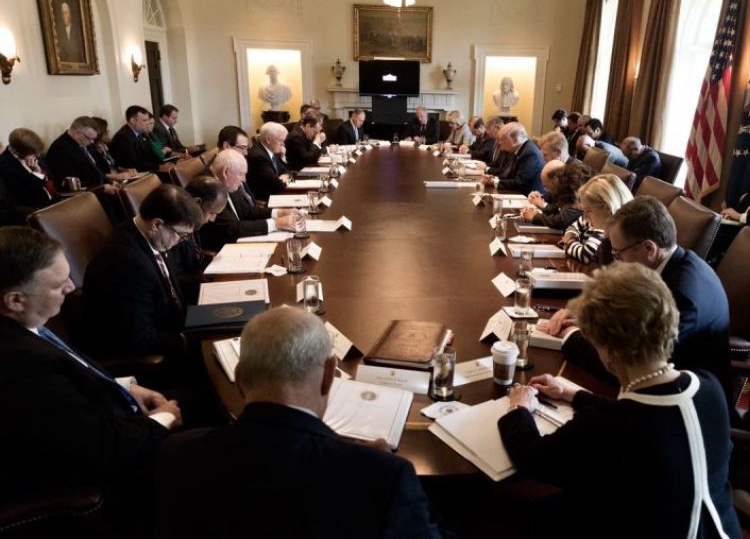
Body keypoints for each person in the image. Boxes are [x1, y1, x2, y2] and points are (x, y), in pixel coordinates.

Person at [154, 307, 440, 538]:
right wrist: (369, 467)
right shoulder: (383, 477)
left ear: (239, 379)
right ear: (329, 375)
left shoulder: (176, 455)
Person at [500, 263, 740, 538]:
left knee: (536, 513)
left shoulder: (605, 426)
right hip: (718, 529)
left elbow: (533, 459)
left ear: (608, 353)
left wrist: (519, 409)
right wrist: (572, 394)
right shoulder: (708, 386)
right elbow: (646, 416)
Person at [0, 227, 180, 523]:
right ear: (15, 300)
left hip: (113, 415)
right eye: (58, 285)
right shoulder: (19, 367)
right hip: (106, 476)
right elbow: (103, 449)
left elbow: (69, 377)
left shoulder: (27, 325)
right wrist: (165, 419)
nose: (71, 288)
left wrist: (125, 388)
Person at [547, 196, 732, 396]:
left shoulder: (682, 293)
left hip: (689, 402)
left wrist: (572, 336)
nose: (616, 261)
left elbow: (636, 366)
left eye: (618, 253)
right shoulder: (673, 263)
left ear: (649, 248)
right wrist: (589, 319)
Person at [82, 184, 202, 361]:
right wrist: (190, 340)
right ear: (157, 224)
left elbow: (169, 284)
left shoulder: (149, 236)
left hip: (175, 322)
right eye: (181, 235)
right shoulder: (126, 262)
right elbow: (140, 338)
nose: (182, 241)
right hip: (150, 355)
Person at [198, 148, 296, 251]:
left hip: (238, 240)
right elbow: (231, 228)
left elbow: (247, 211)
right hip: (222, 250)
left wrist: (279, 212)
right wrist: (276, 223)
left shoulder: (225, 181)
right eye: (241, 174)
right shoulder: (208, 189)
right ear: (226, 171)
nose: (243, 180)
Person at [170, 175, 228, 302]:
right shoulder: (175, 230)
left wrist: (214, 261)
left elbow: (195, 256)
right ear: (197, 203)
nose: (213, 219)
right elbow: (175, 278)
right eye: (212, 213)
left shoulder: (192, 223)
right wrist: (206, 278)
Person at [561, 173, 633, 264]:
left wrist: (570, 241)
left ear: (608, 209)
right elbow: (572, 228)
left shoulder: (610, 232)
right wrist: (572, 236)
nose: (584, 216)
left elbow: (586, 256)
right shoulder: (594, 218)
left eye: (588, 210)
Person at [45, 116, 118, 193]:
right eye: (89, 138)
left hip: (99, 188)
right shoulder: (59, 149)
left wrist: (110, 182)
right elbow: (70, 182)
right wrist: (101, 188)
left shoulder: (85, 142)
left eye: (93, 139)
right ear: (77, 133)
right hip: (85, 195)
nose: (92, 142)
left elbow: (98, 169)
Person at [521, 162, 593, 231]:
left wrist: (535, 217)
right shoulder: (568, 190)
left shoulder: (574, 191)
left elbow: (562, 221)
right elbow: (558, 208)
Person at [0, 128, 55, 217]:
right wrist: (36, 172)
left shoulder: (33, 152)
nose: (37, 156)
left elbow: (49, 177)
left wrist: (39, 171)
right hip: (34, 210)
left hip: (53, 201)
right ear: (15, 150)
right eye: (33, 152)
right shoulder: (4, 165)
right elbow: (26, 196)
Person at [479, 122, 545, 195]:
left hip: (528, 198)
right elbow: (507, 174)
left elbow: (520, 183)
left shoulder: (530, 153)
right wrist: (493, 178)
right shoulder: (518, 149)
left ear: (514, 139)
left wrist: (493, 181)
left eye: (502, 139)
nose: (499, 143)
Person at [110, 105, 168, 172]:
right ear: (133, 121)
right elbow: (133, 163)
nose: (148, 123)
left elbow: (150, 155)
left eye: (148, 120)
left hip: (146, 170)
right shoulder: (123, 137)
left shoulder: (141, 133)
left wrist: (164, 164)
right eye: (144, 120)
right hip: (134, 174)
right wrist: (159, 167)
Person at [246, 121, 290, 201]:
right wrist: (282, 179)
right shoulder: (258, 157)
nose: (283, 144)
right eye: (281, 140)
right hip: (264, 202)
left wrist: (285, 176)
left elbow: (286, 171)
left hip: (274, 195)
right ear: (268, 139)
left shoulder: (271, 149)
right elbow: (278, 185)